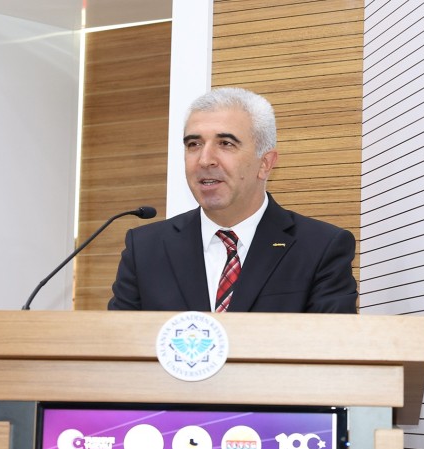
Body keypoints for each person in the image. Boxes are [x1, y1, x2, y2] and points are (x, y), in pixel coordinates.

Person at [108, 87, 357, 313]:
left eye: (225, 144)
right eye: (194, 144)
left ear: (265, 163)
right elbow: (117, 342)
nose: (205, 160)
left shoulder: (320, 248)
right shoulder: (145, 249)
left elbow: (334, 344)